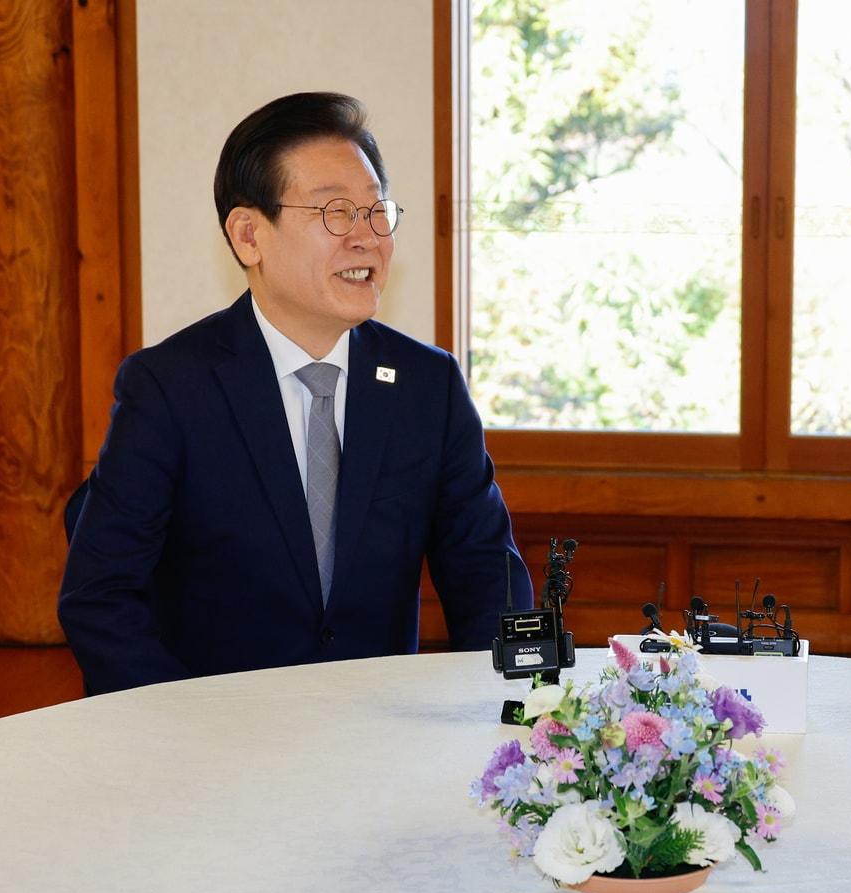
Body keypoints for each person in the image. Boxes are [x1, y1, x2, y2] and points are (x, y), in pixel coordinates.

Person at [59, 92, 532, 694]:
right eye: (336, 212)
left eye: (375, 211)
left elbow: (487, 575)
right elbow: (99, 598)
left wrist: (521, 710)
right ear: (249, 235)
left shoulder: (426, 386)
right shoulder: (171, 387)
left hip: (378, 736)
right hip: (217, 738)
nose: (366, 238)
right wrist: (181, 732)